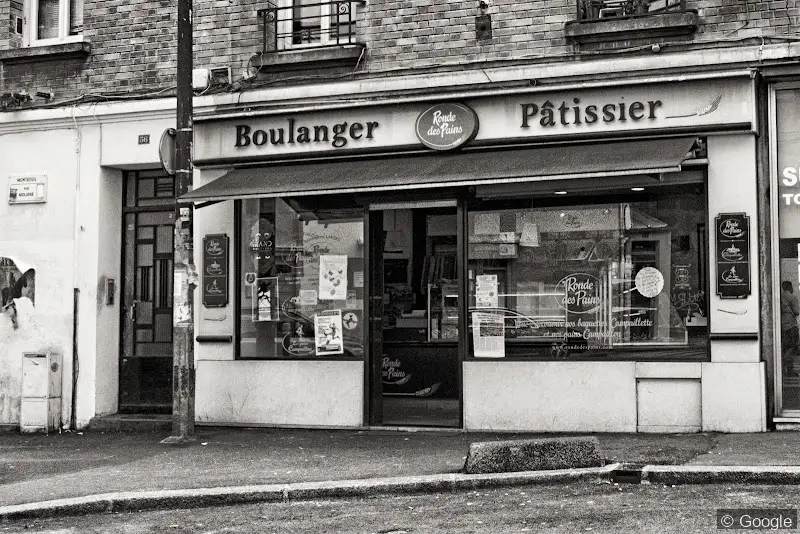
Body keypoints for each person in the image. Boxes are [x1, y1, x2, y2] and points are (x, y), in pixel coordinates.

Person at [781, 281, 800, 376]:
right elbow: (796, 311)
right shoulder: (792, 297)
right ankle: (789, 368)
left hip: (783, 326)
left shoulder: (780, 297)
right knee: (792, 347)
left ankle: (785, 367)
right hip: (791, 325)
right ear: (790, 287)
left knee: (785, 347)